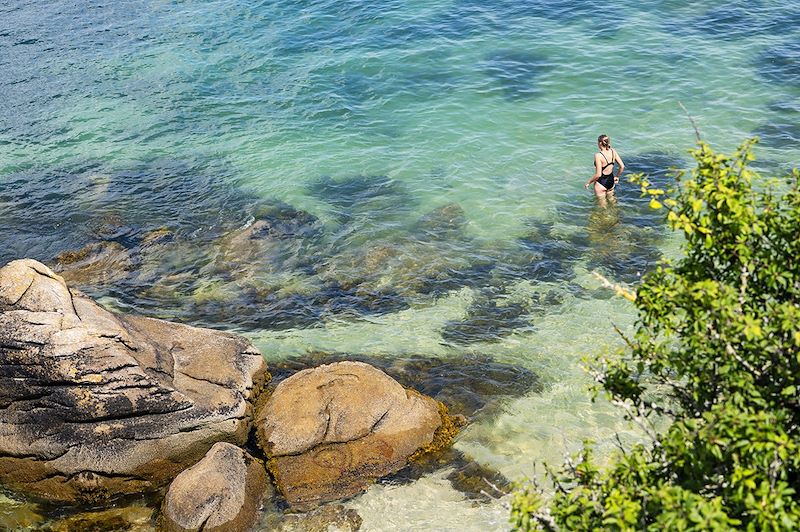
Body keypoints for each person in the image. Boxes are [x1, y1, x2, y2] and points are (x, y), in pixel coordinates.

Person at [585, 134, 624, 207]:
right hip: (611, 181)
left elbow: (598, 175)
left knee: (603, 207)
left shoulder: (598, 156)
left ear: (600, 143)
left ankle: (606, 218)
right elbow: (622, 166)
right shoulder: (613, 151)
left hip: (601, 183)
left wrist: (588, 182)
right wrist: (617, 176)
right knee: (613, 203)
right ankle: (616, 216)